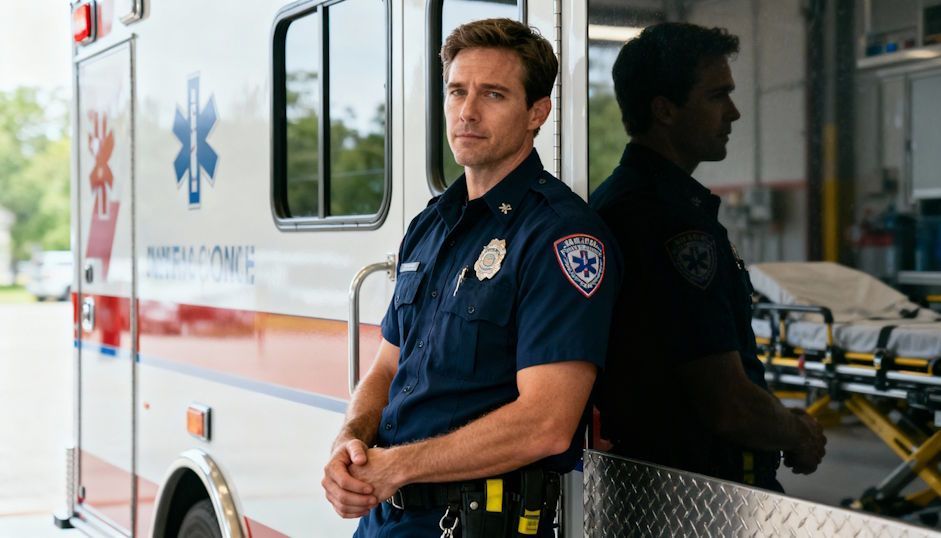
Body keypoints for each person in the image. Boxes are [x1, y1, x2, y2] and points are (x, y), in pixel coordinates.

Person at [322, 18, 621, 537]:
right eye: (457, 91)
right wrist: (348, 441)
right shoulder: (429, 226)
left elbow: (547, 424)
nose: (467, 111)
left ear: (537, 112)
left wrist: (397, 466)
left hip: (474, 525)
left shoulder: (560, 236)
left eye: (494, 94)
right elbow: (386, 368)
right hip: (385, 518)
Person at [590, 22, 826, 492]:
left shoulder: (619, 200)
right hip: (700, 484)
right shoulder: (668, 221)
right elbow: (728, 405)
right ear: (665, 111)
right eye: (718, 96)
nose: (734, 113)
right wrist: (796, 432)